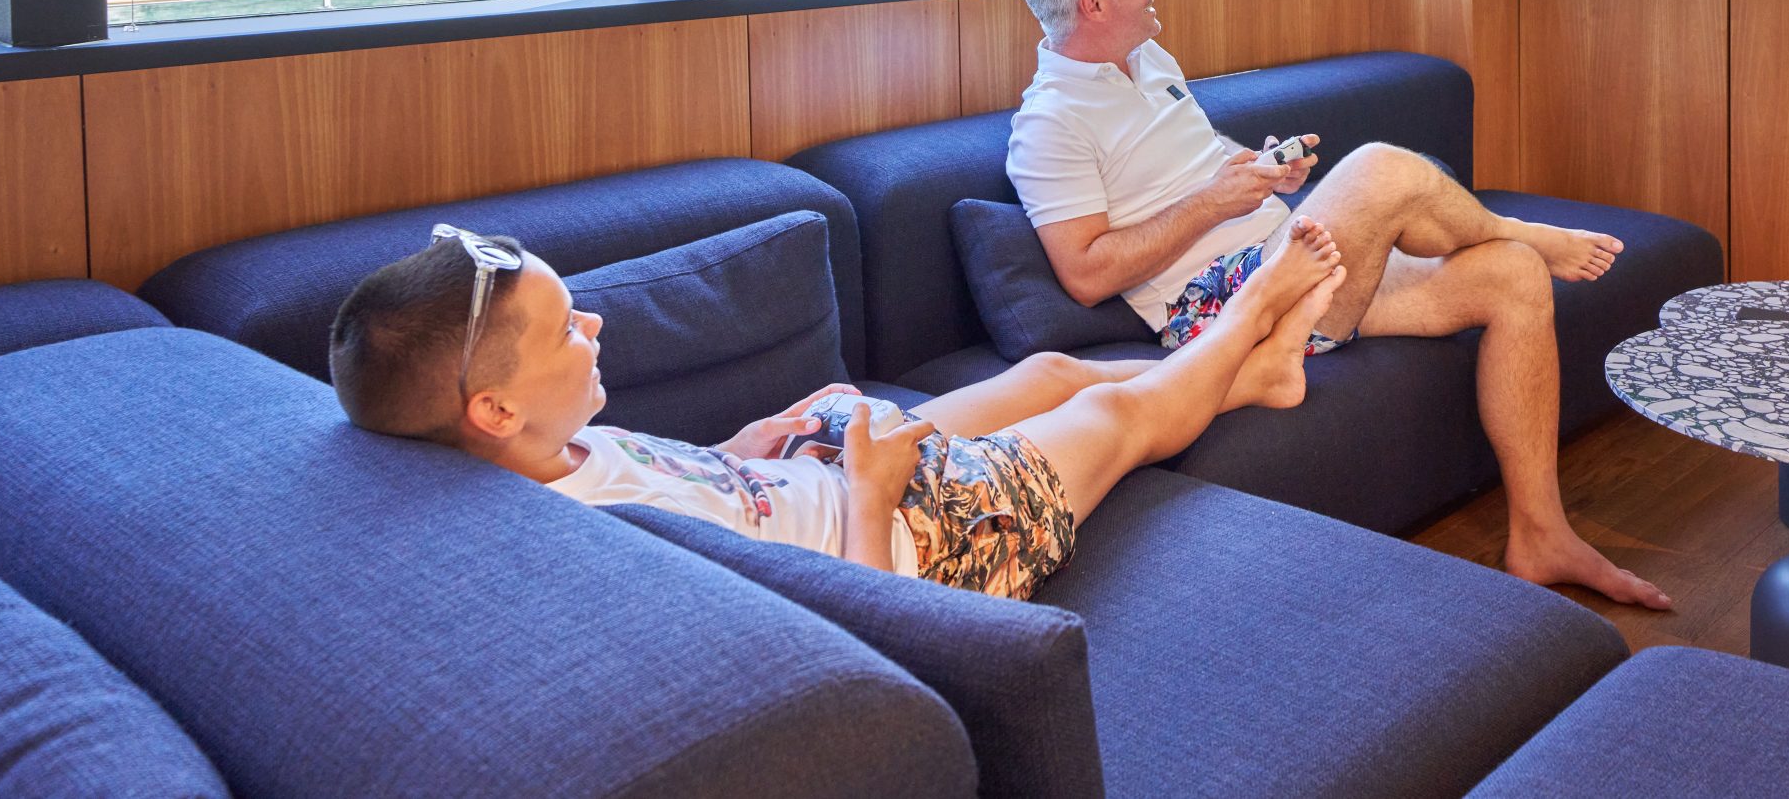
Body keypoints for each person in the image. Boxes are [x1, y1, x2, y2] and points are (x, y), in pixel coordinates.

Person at [1002, 0, 1664, 607]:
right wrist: (1213, 202)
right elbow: (1084, 273)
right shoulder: (1051, 122)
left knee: (1514, 274)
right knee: (1381, 170)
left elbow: (1198, 165)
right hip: (1223, 309)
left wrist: (1259, 169)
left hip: (1281, 244)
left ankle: (1541, 533)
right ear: (1094, 5)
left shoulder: (1149, 58)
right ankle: (1518, 226)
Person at [329, 221, 1347, 602]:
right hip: (916, 548)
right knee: (1120, 414)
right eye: (564, 329)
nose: (592, 323)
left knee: (1043, 370)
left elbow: (689, 479)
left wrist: (751, 441)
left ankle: (1255, 379)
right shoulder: (609, 553)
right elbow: (848, 630)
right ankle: (1253, 308)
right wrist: (872, 494)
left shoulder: (558, 447)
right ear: (494, 409)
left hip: (832, 479)